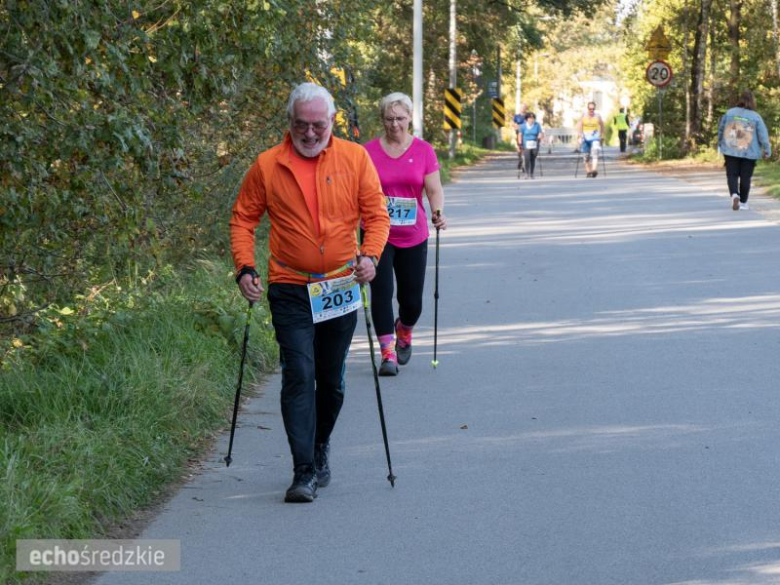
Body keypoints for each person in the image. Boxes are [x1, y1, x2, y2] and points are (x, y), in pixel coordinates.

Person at [230, 82, 390, 503]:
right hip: (289, 284)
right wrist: (244, 267)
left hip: (339, 283)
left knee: (331, 381)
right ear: (290, 123)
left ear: (332, 122)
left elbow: (377, 216)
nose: (310, 132)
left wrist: (370, 256)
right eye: (301, 124)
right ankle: (303, 470)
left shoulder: (355, 158)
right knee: (298, 373)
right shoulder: (267, 165)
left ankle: (321, 445)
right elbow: (242, 219)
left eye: (318, 124)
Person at [363, 92, 447, 376]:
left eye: (400, 118)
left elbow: (434, 189)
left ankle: (405, 329)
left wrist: (437, 212)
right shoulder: (368, 152)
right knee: (382, 293)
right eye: (389, 119)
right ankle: (387, 353)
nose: (395, 124)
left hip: (413, 234)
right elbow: (357, 191)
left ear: (410, 118)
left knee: (412, 301)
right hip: (377, 233)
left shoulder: (423, 150)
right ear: (382, 120)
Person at [717, 89, 772, 211]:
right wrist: (767, 150)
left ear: (740, 100)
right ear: (752, 101)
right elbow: (763, 135)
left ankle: (734, 194)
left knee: (732, 174)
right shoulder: (756, 117)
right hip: (749, 152)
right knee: (745, 177)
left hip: (730, 149)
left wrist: (720, 143)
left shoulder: (729, 113)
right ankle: (743, 202)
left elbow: (721, 129)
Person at [576, 101, 605, 178]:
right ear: (587, 108)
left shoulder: (597, 116)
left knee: (595, 152)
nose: (591, 110)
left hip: (595, 137)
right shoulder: (583, 116)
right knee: (586, 155)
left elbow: (602, 125)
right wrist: (579, 135)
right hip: (585, 137)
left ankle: (594, 170)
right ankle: (588, 171)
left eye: (593, 109)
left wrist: (602, 135)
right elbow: (579, 126)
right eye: (590, 109)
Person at [518, 112, 544, 179]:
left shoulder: (537, 125)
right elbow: (520, 135)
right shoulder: (523, 126)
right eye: (530, 118)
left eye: (533, 118)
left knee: (533, 159)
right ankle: (527, 173)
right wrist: (520, 143)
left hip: (535, 143)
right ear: (527, 119)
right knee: (527, 158)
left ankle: (531, 173)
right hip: (526, 144)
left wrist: (539, 137)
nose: (531, 119)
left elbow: (540, 133)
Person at [514, 103, 528, 177]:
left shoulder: (528, 116)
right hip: (519, 134)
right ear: (520, 108)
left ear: (526, 109)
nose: (523, 109)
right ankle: (520, 159)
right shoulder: (517, 116)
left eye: (524, 107)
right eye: (522, 107)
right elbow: (514, 125)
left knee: (526, 149)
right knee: (519, 148)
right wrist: (518, 127)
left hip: (527, 135)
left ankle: (525, 164)